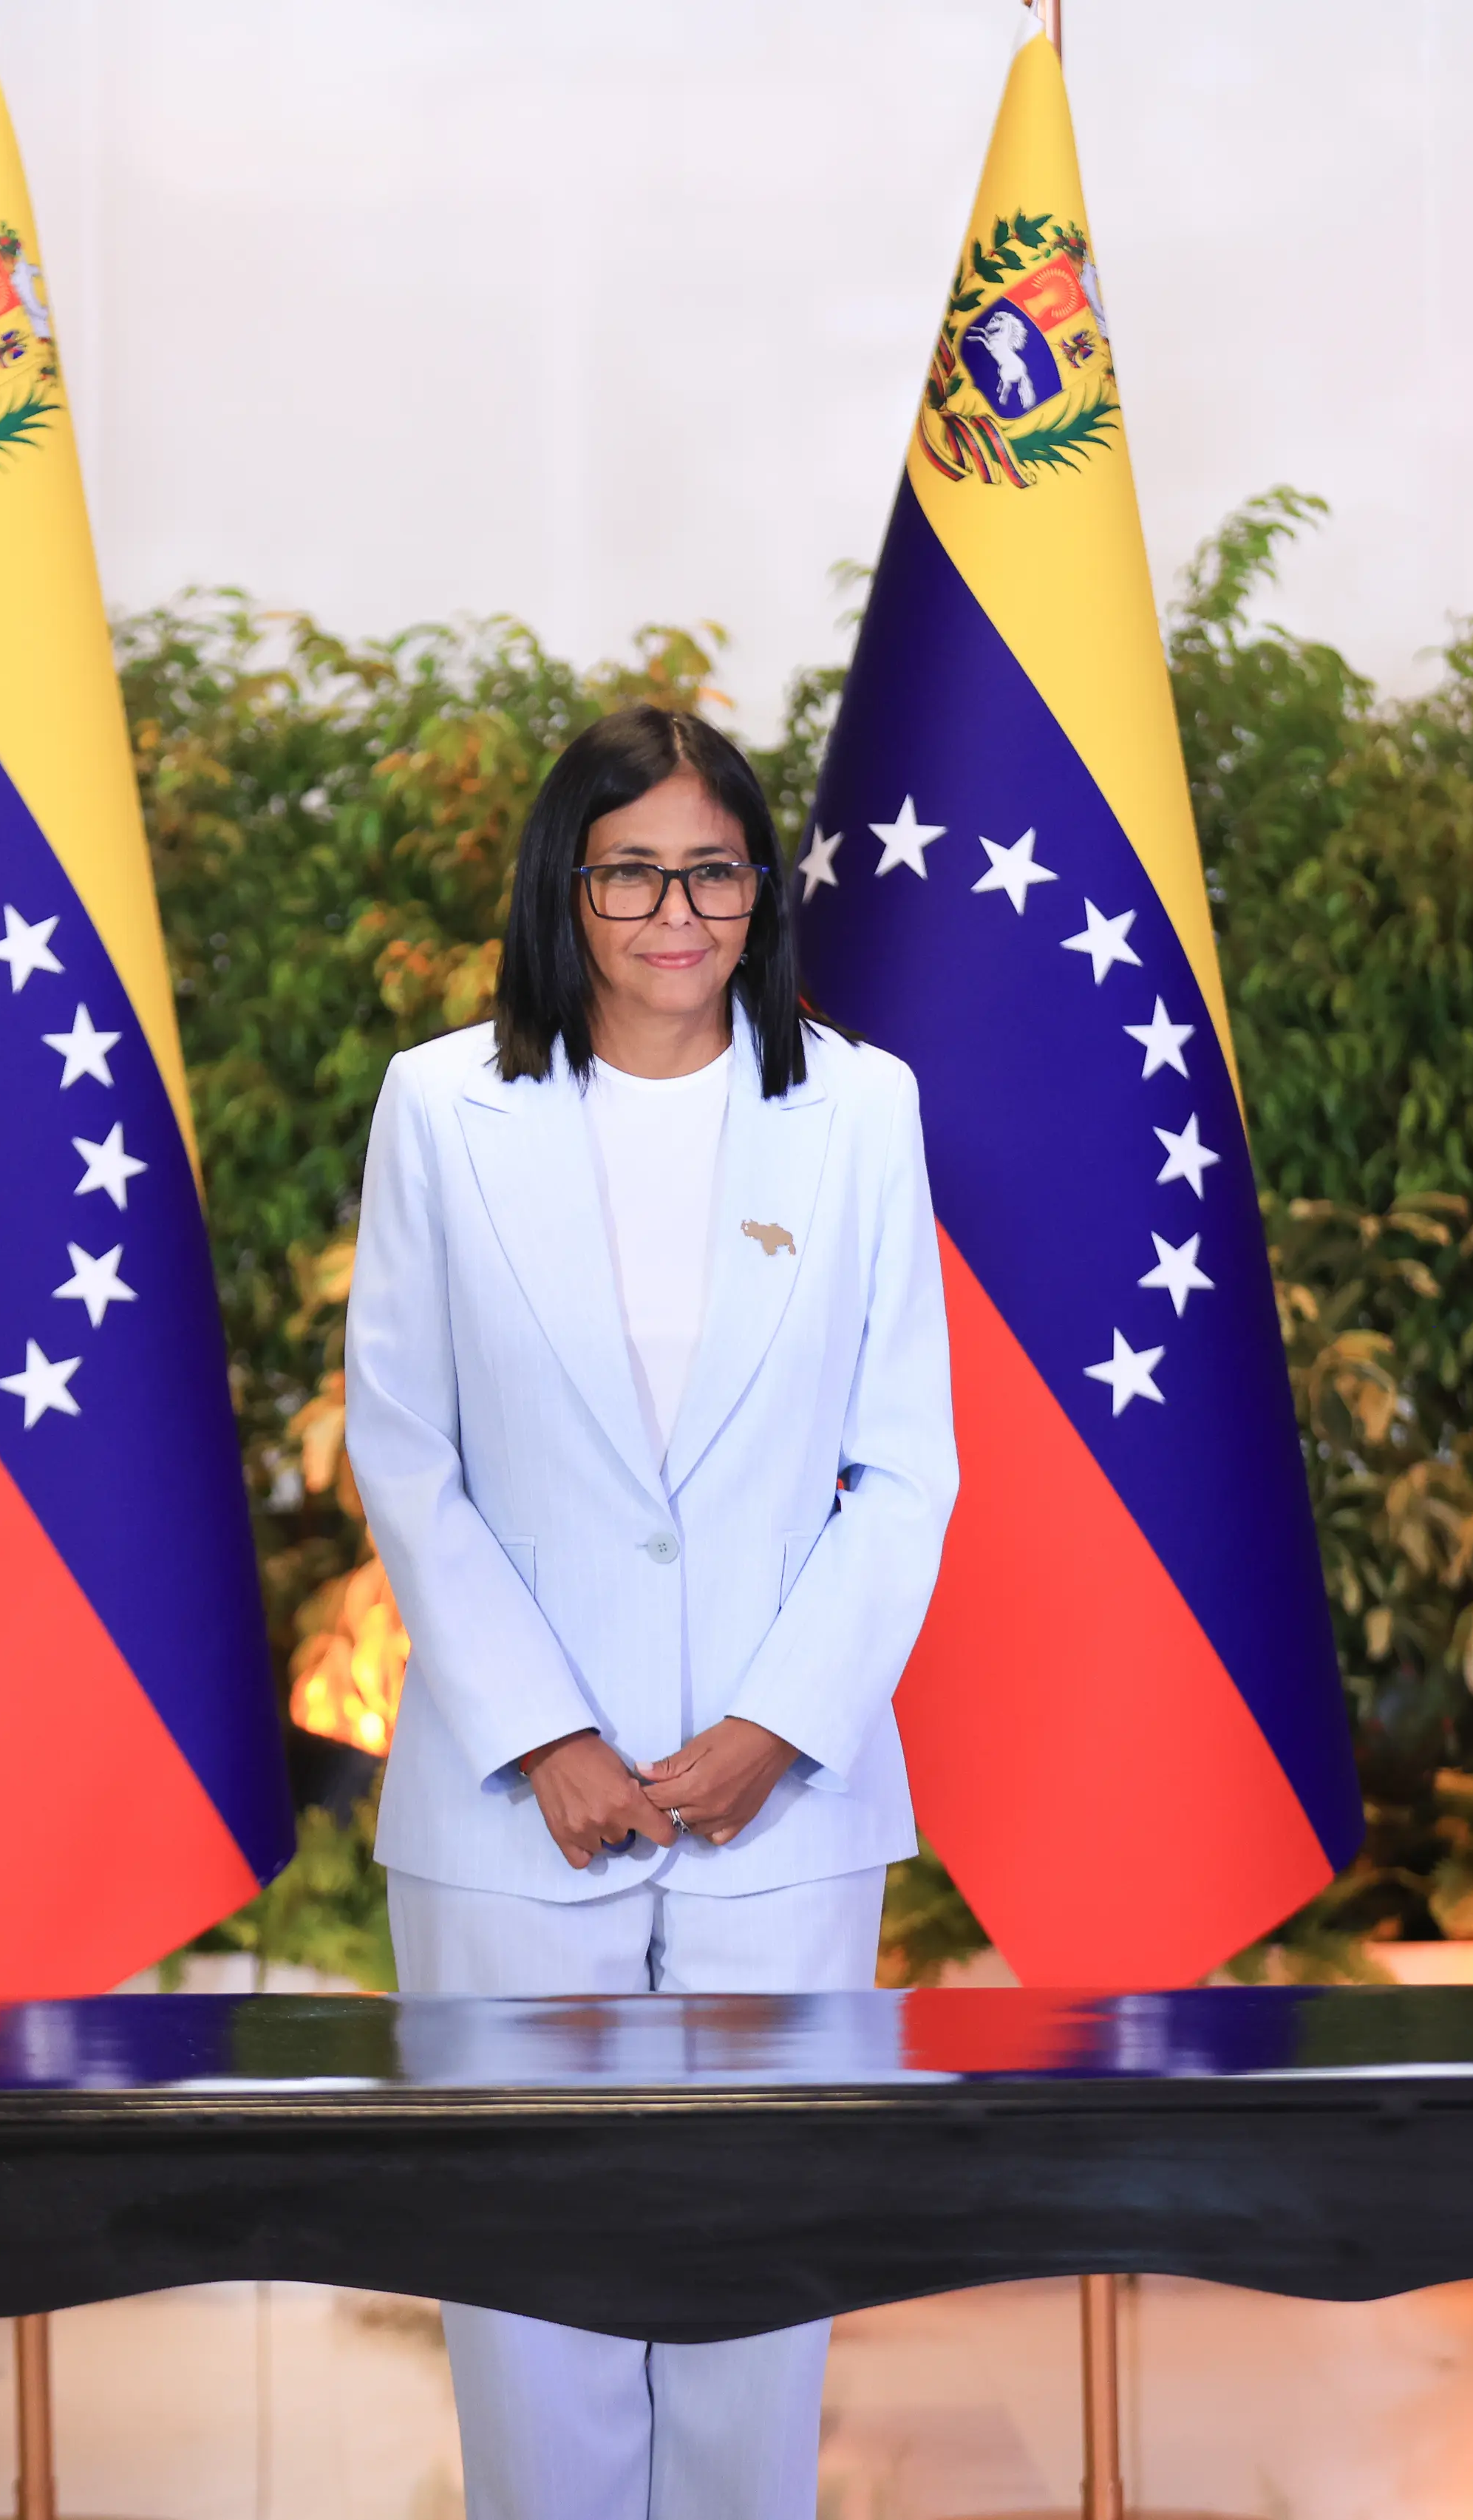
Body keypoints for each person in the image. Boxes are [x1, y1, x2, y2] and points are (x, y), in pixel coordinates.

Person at [344, 703, 957, 2520]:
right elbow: (405, 1449)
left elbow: (903, 1461)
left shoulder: (859, 1106)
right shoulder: (441, 1108)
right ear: (566, 888)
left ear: (760, 894)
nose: (674, 907)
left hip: (783, 1811)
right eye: (631, 870)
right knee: (527, 2301)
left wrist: (775, 1729)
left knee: (755, 2295)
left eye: (711, 868)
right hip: (508, 1813)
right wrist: (545, 1737)